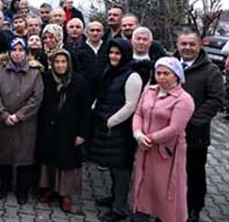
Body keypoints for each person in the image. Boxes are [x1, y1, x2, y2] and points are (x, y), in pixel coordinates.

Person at [131, 57, 195, 222]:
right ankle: (141, 215)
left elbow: (175, 128)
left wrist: (149, 139)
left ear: (177, 75)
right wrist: (138, 134)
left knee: (164, 190)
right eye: (158, 73)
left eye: (166, 73)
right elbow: (138, 113)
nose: (161, 77)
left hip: (166, 153)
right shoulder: (149, 91)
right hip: (144, 147)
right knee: (143, 185)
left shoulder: (184, 99)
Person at [175, 29, 225, 222]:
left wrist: (191, 120)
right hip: (170, 133)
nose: (187, 48)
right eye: (183, 44)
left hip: (195, 134)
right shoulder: (170, 64)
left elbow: (216, 100)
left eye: (191, 44)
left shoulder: (210, 70)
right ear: (178, 45)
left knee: (194, 173)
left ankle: (194, 209)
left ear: (199, 45)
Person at [90, 38, 143, 222]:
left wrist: (110, 121)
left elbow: (130, 106)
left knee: (121, 170)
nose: (113, 56)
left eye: (117, 53)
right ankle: (114, 198)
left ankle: (120, 209)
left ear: (125, 54)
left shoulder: (132, 76)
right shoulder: (110, 71)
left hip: (120, 131)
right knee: (112, 166)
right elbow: (103, 92)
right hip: (107, 126)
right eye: (111, 52)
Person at [0, 38, 43, 204]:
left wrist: (19, 116)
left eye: (21, 50)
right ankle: (5, 186)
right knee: (3, 156)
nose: (17, 53)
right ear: (9, 52)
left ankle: (22, 190)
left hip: (25, 124)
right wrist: (4, 115)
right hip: (3, 122)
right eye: (14, 50)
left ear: (26, 53)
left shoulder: (35, 73)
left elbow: (36, 98)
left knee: (24, 159)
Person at [36, 49, 90, 213]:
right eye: (57, 62)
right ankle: (49, 188)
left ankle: (65, 194)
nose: (60, 65)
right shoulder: (45, 79)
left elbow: (86, 111)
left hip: (69, 131)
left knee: (66, 162)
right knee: (48, 161)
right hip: (48, 129)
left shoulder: (79, 82)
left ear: (69, 63)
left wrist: (82, 133)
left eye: (63, 62)